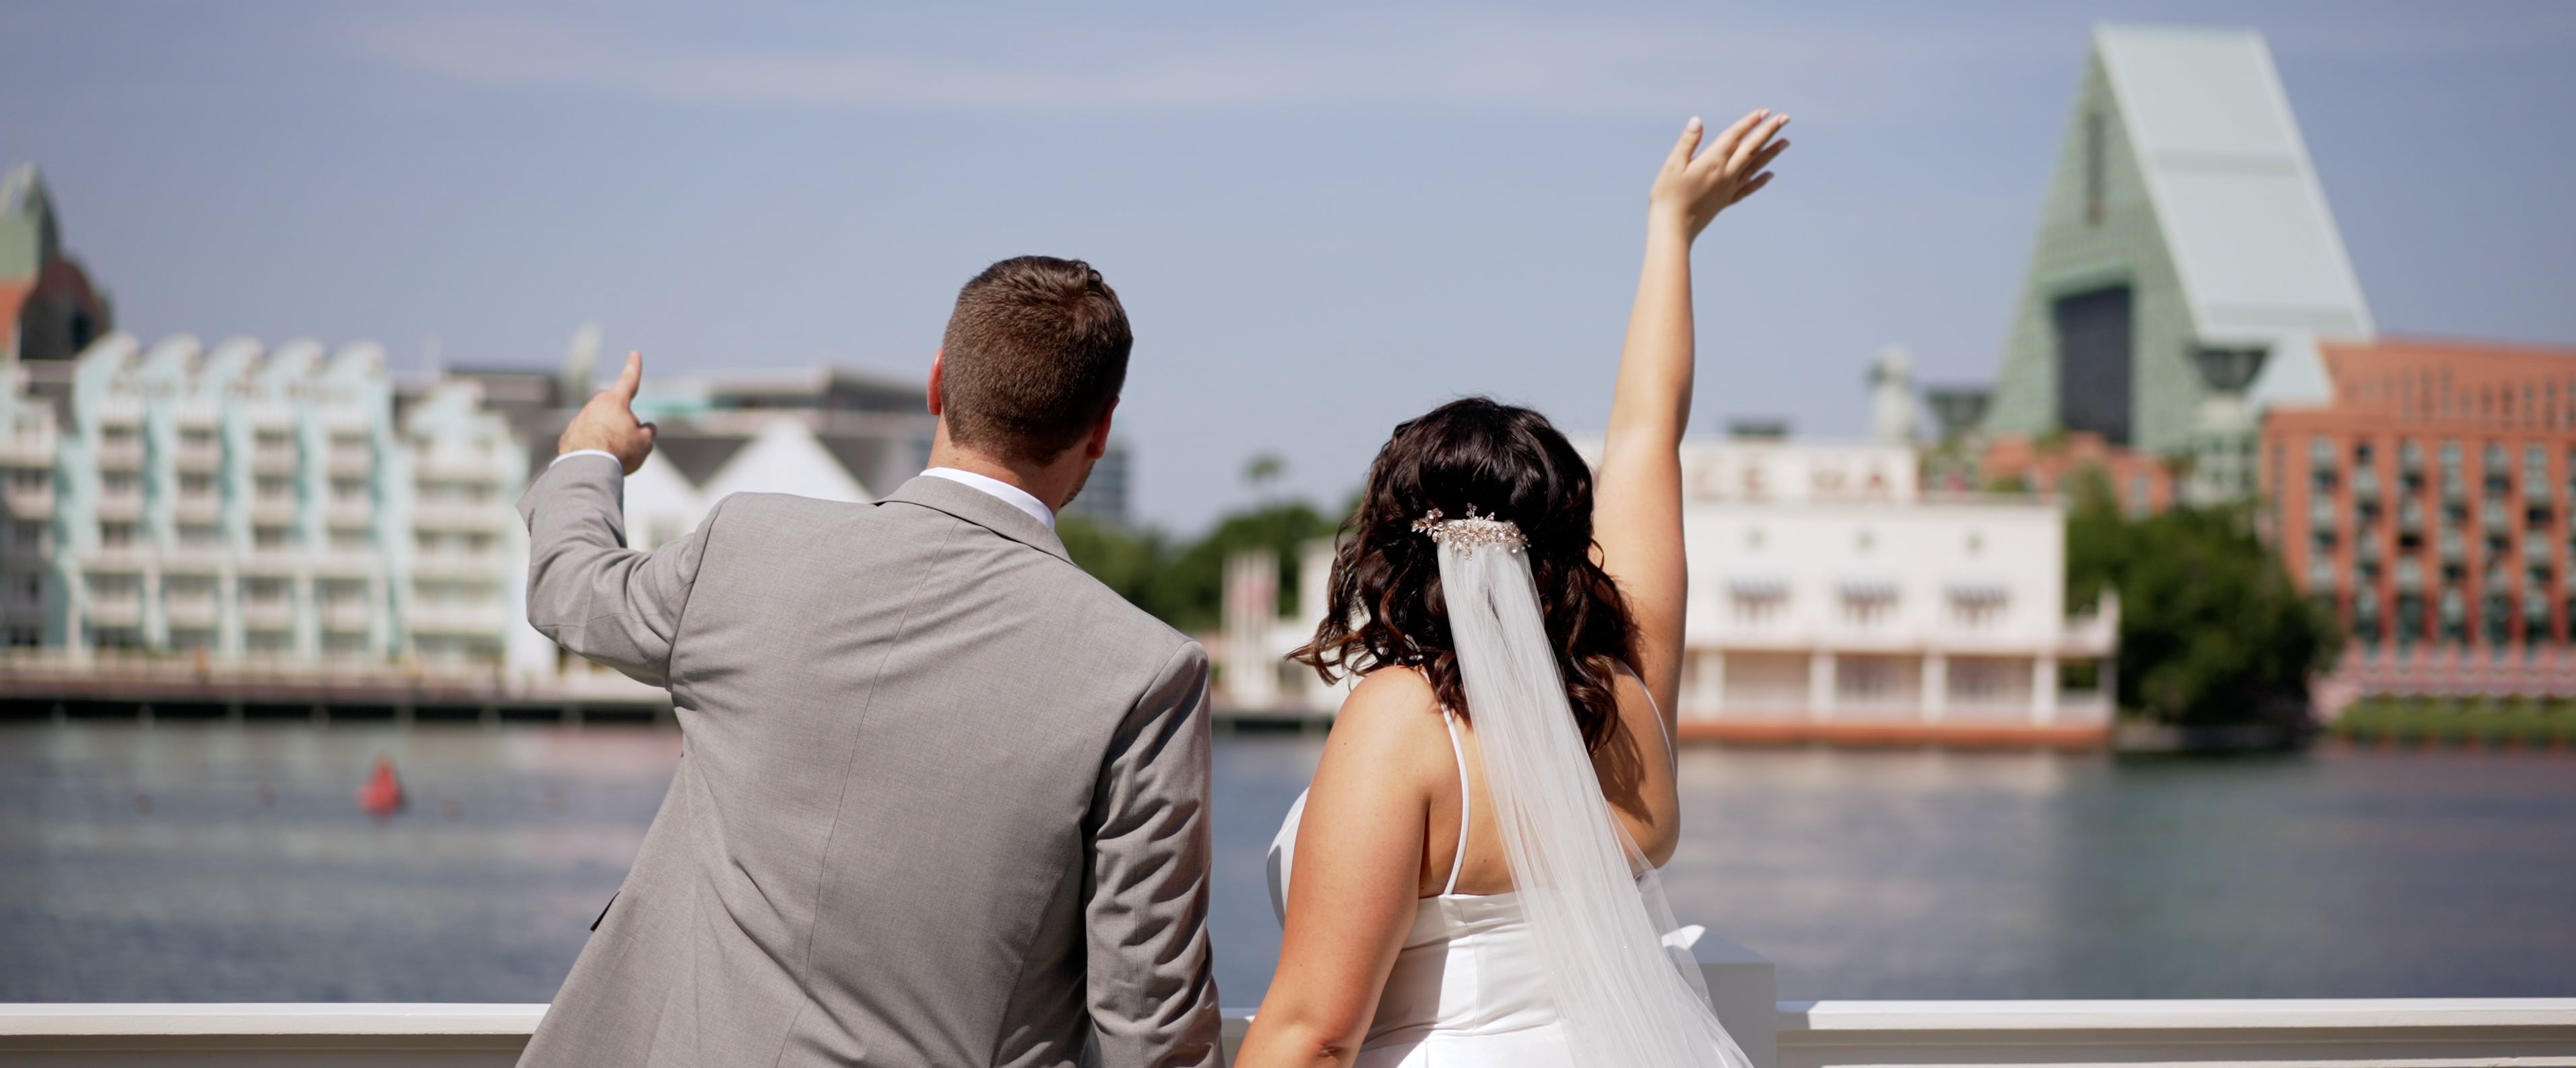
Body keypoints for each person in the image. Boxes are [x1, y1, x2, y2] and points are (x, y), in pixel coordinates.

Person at [515, 257, 1220, 1068]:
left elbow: (570, 588)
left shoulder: (747, 547)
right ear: (1101, 429)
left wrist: (591, 454)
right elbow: (1152, 1022)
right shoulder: (1143, 671)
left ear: (936, 384)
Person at [1235, 110, 1791, 1068]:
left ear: (1391, 546)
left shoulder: (1400, 723)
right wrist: (1672, 230)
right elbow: (1649, 433)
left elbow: (1314, 1035)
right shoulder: (1625, 696)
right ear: (1568, 545)